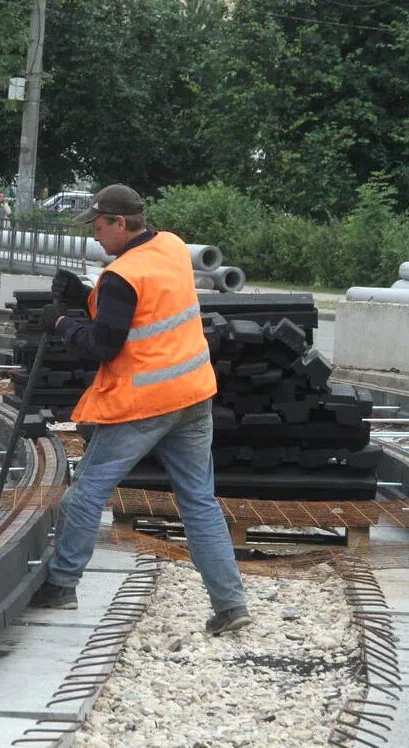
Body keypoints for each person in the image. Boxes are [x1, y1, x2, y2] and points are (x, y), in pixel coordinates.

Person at [30, 183, 251, 636]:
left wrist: (63, 321)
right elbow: (145, 306)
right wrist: (87, 295)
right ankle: (230, 606)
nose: (95, 236)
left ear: (119, 223)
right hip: (192, 396)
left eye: (98, 226)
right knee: (199, 501)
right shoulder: (169, 247)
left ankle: (61, 584)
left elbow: (102, 345)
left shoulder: (122, 276)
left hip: (146, 402)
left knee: (88, 490)